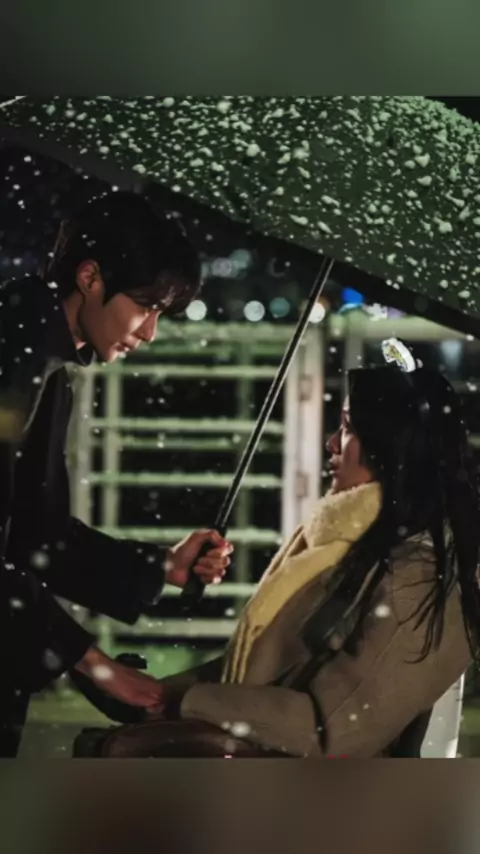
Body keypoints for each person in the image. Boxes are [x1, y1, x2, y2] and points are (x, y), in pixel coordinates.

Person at [112, 358, 480, 758]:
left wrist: (181, 702)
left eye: (348, 428)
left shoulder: (417, 578)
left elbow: (335, 729)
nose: (332, 444)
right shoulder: (356, 549)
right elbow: (270, 670)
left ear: (391, 447)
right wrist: (158, 694)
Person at [0, 190, 232, 757]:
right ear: (90, 277)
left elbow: (37, 533)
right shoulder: (13, 352)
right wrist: (93, 663)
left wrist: (163, 565)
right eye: (146, 306)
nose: (150, 332)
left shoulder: (41, 353)